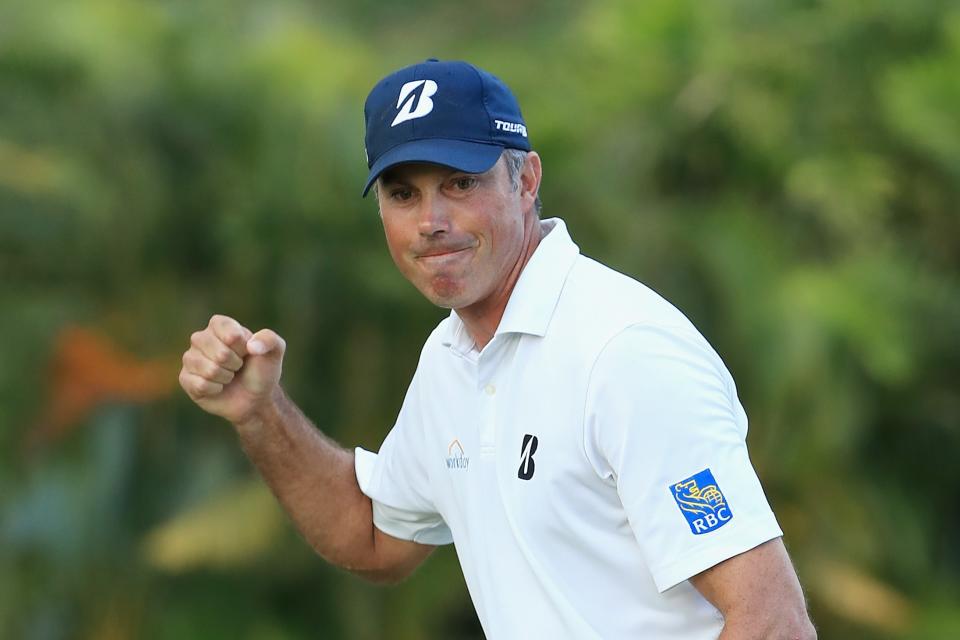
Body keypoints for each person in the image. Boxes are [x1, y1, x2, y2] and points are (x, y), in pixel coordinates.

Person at [179, 58, 816, 639]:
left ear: (527, 179)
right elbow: (373, 537)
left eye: (459, 183)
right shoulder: (451, 359)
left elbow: (771, 620)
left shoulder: (624, 352)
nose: (431, 220)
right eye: (404, 194)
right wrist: (260, 413)